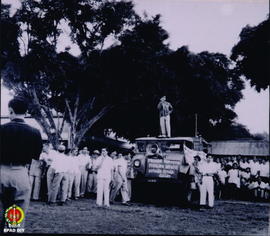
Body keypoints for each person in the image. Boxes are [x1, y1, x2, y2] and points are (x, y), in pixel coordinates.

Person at [0, 98, 43, 232]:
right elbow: (36, 156)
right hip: (21, 172)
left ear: (11, 110)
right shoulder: (35, 132)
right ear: (26, 112)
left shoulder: (1, 129)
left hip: (1, 170)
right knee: (17, 213)